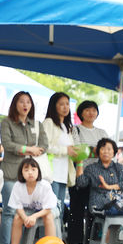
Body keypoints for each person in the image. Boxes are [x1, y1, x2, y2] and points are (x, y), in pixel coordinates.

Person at [0, 91, 48, 244]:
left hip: (32, 174)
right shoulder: (6, 123)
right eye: (21, 101)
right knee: (10, 211)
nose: (25, 105)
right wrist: (28, 149)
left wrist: (35, 150)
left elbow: (44, 145)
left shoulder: (37, 124)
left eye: (28, 102)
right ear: (15, 104)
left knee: (28, 210)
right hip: (12, 173)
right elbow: (7, 144)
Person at [67, 100, 108, 244]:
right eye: (87, 110)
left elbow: (109, 151)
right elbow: (77, 151)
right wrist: (97, 151)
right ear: (81, 113)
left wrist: (91, 151)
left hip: (98, 177)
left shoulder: (102, 132)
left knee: (95, 212)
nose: (91, 113)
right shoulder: (75, 130)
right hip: (80, 175)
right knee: (76, 211)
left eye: (94, 110)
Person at [9, 158, 57, 244]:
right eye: (26, 170)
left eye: (33, 169)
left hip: (49, 209)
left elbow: (48, 209)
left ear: (38, 171)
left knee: (48, 217)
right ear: (21, 172)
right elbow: (18, 207)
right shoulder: (18, 185)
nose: (30, 173)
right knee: (17, 218)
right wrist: (25, 218)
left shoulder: (45, 185)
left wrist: (34, 216)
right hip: (28, 210)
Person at [42, 92, 76, 222]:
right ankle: (47, 240)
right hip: (51, 173)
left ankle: (57, 240)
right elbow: (44, 146)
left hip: (63, 173)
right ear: (53, 106)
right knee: (51, 209)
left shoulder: (67, 127)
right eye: (61, 104)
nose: (65, 107)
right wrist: (65, 150)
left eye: (67, 104)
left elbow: (68, 150)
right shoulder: (49, 123)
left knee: (60, 210)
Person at [75, 138, 123, 214]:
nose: (106, 152)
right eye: (103, 149)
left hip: (118, 203)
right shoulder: (91, 168)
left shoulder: (118, 167)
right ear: (98, 151)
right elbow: (81, 183)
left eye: (109, 149)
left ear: (114, 152)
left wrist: (108, 187)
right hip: (98, 204)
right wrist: (79, 162)